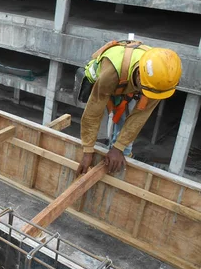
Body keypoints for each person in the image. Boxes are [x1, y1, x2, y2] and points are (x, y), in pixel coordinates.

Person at [75, 40, 182, 176]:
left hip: (126, 87)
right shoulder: (111, 72)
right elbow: (93, 112)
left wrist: (118, 148)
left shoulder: (159, 82)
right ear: (139, 75)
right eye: (147, 90)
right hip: (105, 83)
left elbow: (140, 116)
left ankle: (117, 152)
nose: (151, 96)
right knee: (96, 122)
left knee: (123, 134)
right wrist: (87, 151)